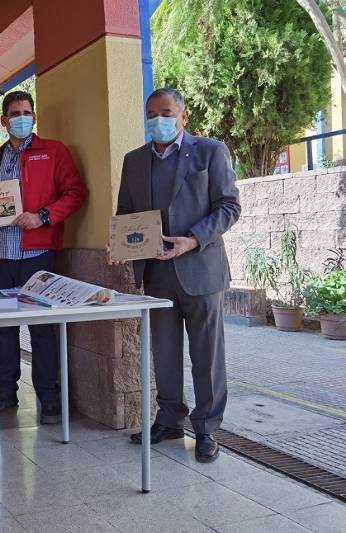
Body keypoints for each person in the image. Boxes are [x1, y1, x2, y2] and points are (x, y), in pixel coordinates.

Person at [114, 88, 240, 462]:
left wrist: (192, 240)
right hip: (156, 274)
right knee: (164, 354)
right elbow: (126, 214)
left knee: (207, 356)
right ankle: (169, 419)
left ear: (183, 117)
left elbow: (229, 207)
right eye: (151, 114)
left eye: (166, 113)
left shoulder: (210, 152)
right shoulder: (133, 161)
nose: (159, 120)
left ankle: (206, 429)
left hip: (200, 270)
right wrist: (121, 244)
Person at [0, 90, 88, 424]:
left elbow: (76, 192)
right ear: (4, 120)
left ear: (33, 117)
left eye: (27, 112)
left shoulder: (53, 152)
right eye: (15, 113)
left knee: (41, 328)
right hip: (0, 256)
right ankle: (5, 392)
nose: (22, 118)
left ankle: (48, 397)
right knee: (5, 328)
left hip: (37, 254)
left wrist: (44, 216)